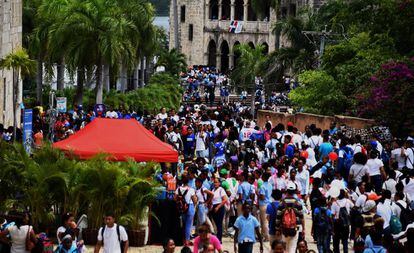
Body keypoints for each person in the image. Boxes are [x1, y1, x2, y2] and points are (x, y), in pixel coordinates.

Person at [275, 182, 304, 253]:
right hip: (295, 229)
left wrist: (277, 229)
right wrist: (303, 229)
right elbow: (301, 217)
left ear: (287, 191)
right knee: (292, 248)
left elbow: (278, 217)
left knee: (285, 248)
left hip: (284, 229)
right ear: (294, 191)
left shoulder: (281, 203)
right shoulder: (298, 203)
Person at [175, 176, 198, 246]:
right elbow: (195, 200)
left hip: (181, 208)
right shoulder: (191, 189)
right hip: (189, 207)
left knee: (184, 225)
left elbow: (175, 198)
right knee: (188, 225)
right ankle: (187, 241)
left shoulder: (178, 189)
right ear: (188, 182)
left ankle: (183, 240)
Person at [210, 178, 228, 242]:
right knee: (215, 224)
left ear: (219, 183)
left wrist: (218, 207)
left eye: (216, 182)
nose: (215, 183)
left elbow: (225, 199)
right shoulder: (213, 190)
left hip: (219, 207)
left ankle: (219, 239)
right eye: (214, 182)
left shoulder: (221, 189)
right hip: (213, 207)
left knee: (219, 224)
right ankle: (216, 238)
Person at [258, 172, 272, 242]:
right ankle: (264, 235)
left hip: (263, 204)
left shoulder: (262, 186)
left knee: (264, 221)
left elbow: (262, 197)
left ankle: (267, 236)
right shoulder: (270, 185)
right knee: (266, 221)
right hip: (269, 203)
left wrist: (258, 195)